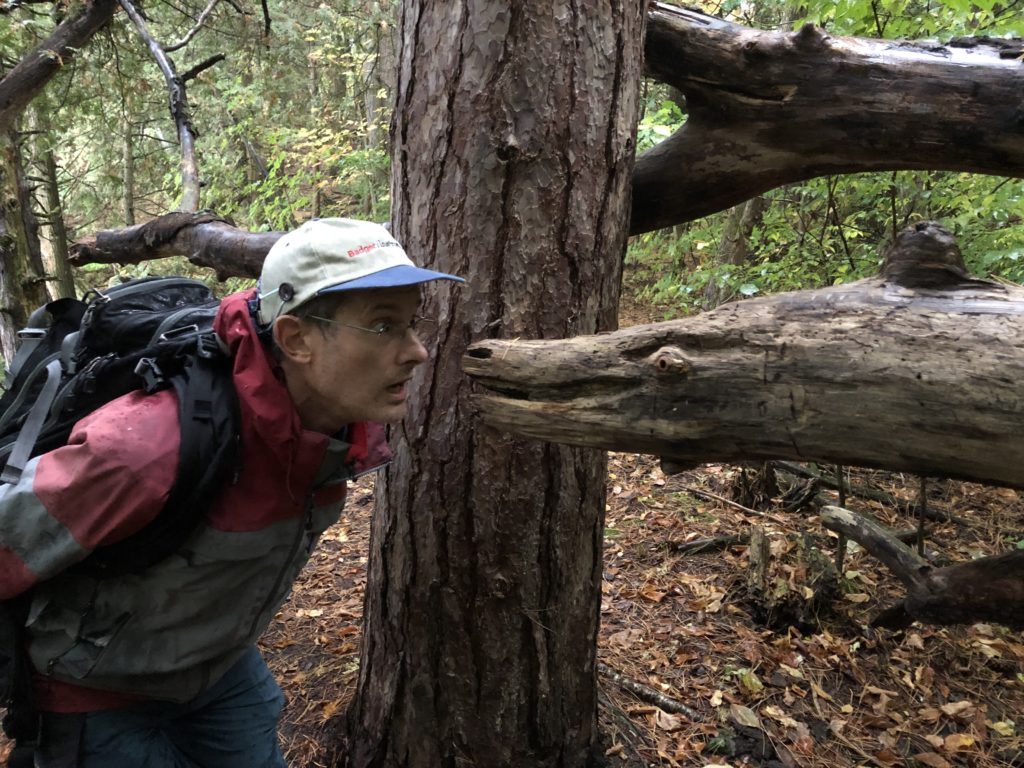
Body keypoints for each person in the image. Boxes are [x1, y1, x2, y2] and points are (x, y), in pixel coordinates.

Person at [0, 218, 464, 767]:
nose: (417, 352)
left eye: (414, 323)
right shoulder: (146, 449)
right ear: (294, 339)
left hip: (219, 669)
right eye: (384, 327)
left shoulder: (336, 430)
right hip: (96, 693)